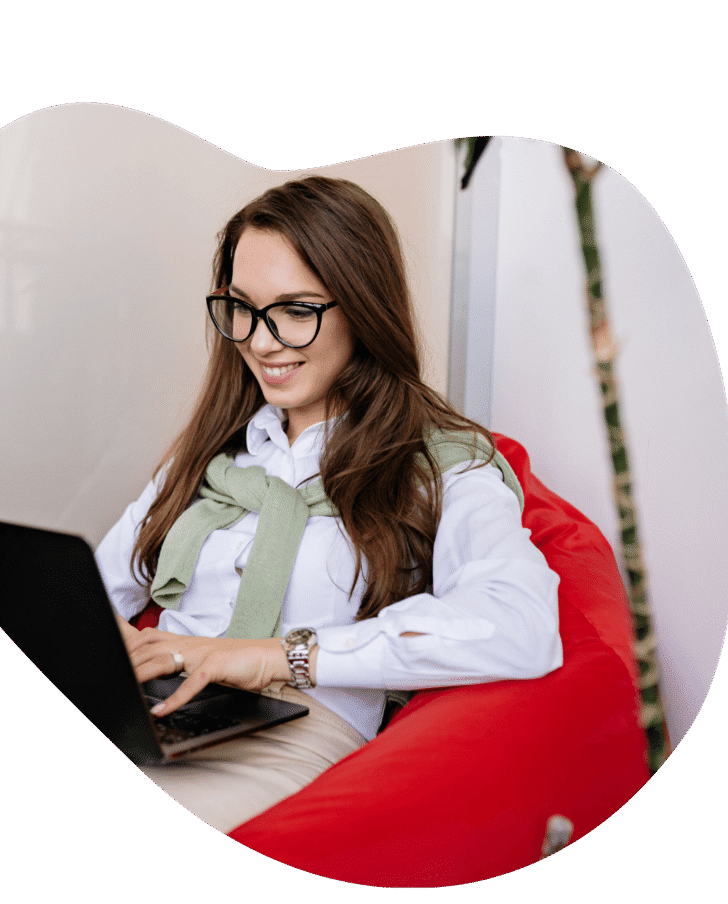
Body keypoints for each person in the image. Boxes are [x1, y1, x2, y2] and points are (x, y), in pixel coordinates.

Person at [95, 176, 562, 833]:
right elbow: (96, 589)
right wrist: (96, 645)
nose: (259, 342)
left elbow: (519, 623)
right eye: (242, 308)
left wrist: (273, 656)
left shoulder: (444, 466)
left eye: (295, 310)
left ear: (363, 308)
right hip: (155, 710)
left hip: (295, 733)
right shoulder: (214, 455)